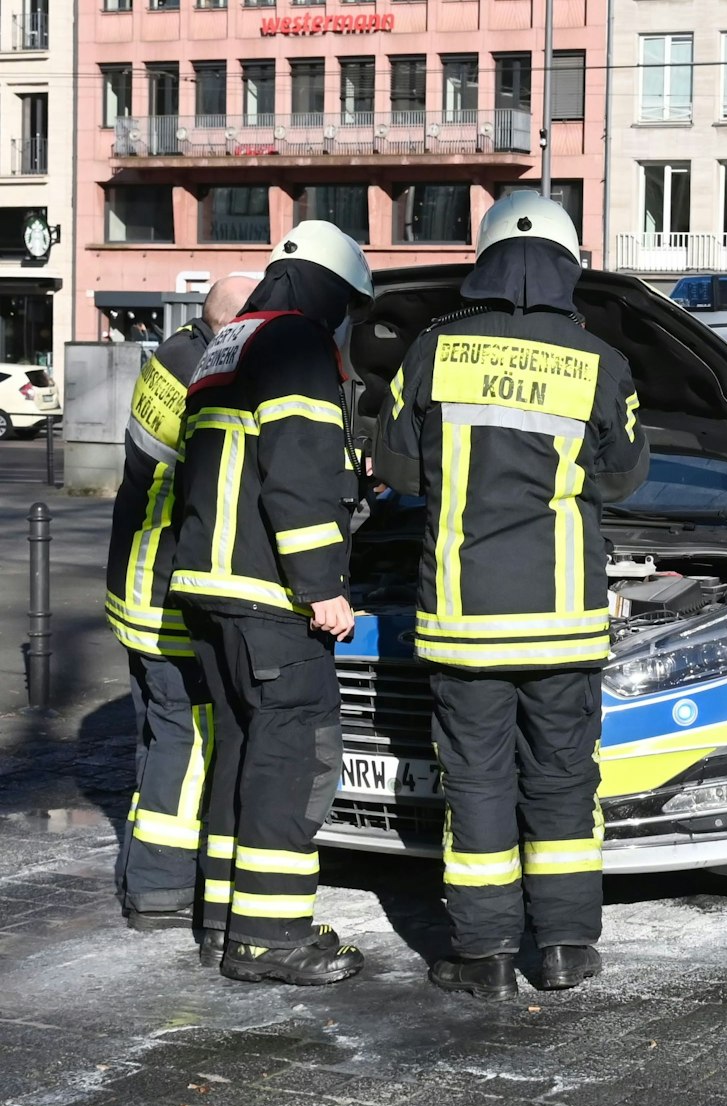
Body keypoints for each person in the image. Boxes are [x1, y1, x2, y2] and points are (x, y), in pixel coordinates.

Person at [376, 193, 648, 999]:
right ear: (569, 263)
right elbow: (628, 475)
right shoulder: (600, 359)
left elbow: (393, 467)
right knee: (564, 778)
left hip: (465, 621)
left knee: (477, 783)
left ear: (484, 257)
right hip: (564, 620)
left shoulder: (432, 349)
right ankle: (564, 945)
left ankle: (486, 954)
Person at [170, 222, 374, 984]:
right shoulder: (298, 345)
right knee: (296, 758)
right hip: (269, 597)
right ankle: (270, 938)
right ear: (329, 290)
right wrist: (322, 586)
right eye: (348, 305)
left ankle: (225, 919)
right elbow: (296, 476)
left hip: (209, 589)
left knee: (242, 757)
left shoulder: (231, 341)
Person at [107, 275, 256, 932]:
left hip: (130, 582)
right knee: (184, 739)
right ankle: (160, 891)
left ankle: (142, 869)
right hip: (166, 594)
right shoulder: (207, 378)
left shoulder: (169, 356)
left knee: (152, 736)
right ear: (232, 326)